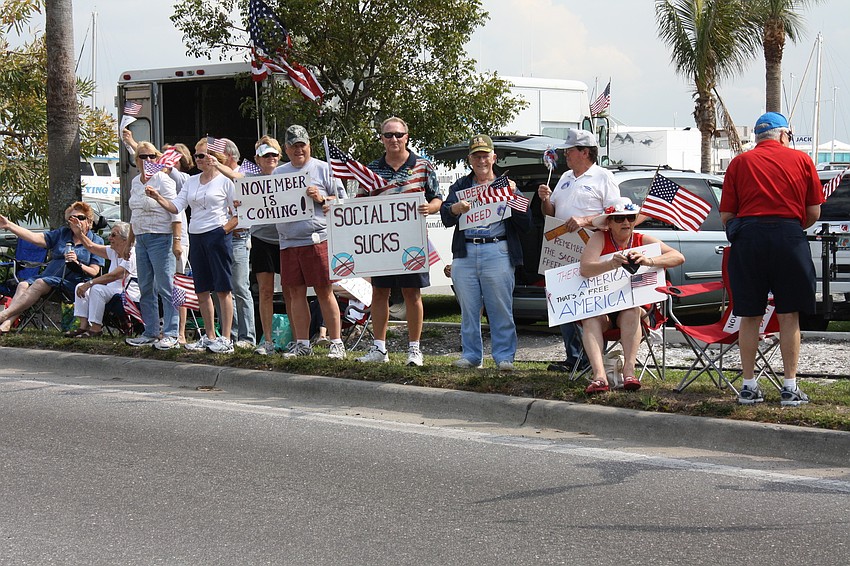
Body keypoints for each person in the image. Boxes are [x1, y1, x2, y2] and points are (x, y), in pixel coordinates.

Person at [720, 112, 823, 407]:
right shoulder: (801, 160)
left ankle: (749, 385)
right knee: (789, 313)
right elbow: (814, 211)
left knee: (749, 313)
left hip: (749, 239)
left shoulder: (740, 163)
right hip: (788, 236)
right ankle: (790, 386)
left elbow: (727, 215)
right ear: (782, 135)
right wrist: (789, 226)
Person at [440, 134, 532, 371]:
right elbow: (445, 216)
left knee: (500, 306)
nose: (481, 160)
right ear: (469, 159)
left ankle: (504, 357)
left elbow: (526, 222)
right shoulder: (461, 186)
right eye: (476, 156)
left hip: (497, 249)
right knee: (469, 309)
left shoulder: (506, 184)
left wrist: (513, 197)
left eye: (485, 155)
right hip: (466, 252)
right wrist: (454, 208)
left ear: (494, 157)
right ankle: (471, 355)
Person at [357, 116, 443, 366]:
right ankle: (379, 348)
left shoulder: (423, 166)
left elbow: (437, 197)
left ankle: (414, 349)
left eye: (398, 134)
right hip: (381, 242)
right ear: (381, 139)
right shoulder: (371, 169)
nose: (393, 139)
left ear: (407, 137)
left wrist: (430, 207)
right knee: (379, 292)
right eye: (388, 135)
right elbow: (360, 202)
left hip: (412, 241)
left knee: (411, 293)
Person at [579, 197, 684, 394]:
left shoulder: (642, 239)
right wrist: (609, 264)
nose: (626, 222)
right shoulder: (600, 238)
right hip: (603, 307)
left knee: (632, 311)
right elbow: (585, 268)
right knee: (590, 317)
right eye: (619, 219)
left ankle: (629, 371)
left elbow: (678, 257)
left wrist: (649, 261)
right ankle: (600, 376)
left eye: (630, 217)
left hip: (634, 308)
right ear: (609, 223)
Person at [537, 129, 620, 373]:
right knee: (563, 302)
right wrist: (546, 200)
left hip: (589, 252)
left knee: (587, 305)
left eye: (570, 150)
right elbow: (550, 214)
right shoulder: (564, 177)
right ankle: (573, 357)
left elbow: (615, 214)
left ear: (585, 152)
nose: (565, 154)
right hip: (561, 250)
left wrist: (585, 220)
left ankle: (591, 358)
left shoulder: (603, 177)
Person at [146, 137, 238, 354]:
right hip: (196, 235)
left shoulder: (226, 181)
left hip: (217, 234)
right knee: (202, 289)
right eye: (196, 155)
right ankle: (209, 335)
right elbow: (177, 206)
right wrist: (158, 197)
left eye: (201, 155)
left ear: (214, 157)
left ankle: (226, 338)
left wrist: (223, 230)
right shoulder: (191, 181)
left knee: (223, 288)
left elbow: (239, 214)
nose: (197, 159)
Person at [272, 124, 347, 359]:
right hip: (288, 242)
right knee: (295, 293)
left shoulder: (325, 169)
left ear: (309, 145)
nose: (298, 150)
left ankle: (336, 343)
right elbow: (265, 203)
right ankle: (302, 343)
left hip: (317, 239)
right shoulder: (278, 173)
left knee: (325, 291)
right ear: (286, 148)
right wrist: (245, 207)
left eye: (302, 144)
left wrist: (322, 197)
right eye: (293, 146)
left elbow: (344, 201)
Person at [212, 135, 283, 356]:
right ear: (257, 159)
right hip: (262, 238)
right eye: (265, 155)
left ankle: (300, 341)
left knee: (292, 292)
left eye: (273, 154)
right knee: (264, 291)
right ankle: (267, 341)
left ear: (279, 156)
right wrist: (217, 164)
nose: (270, 158)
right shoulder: (251, 177)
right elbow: (236, 175)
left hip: (287, 239)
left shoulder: (288, 174)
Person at [0, 202, 105, 333]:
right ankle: (7, 323)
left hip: (72, 284)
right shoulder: (62, 234)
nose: (76, 221)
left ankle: (4, 315)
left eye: (81, 217)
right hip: (49, 278)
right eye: (72, 218)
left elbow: (95, 271)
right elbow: (34, 237)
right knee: (22, 285)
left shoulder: (96, 241)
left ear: (89, 222)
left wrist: (78, 263)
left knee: (39, 282)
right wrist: (9, 225)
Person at [124, 141, 183, 350]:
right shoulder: (135, 183)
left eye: (151, 156)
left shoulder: (164, 180)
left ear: (157, 159)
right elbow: (135, 214)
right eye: (142, 157)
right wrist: (129, 242)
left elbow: (176, 211)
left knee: (165, 286)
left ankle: (171, 332)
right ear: (136, 160)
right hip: (141, 238)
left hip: (161, 237)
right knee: (145, 286)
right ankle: (150, 331)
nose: (147, 160)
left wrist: (177, 242)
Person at [207, 138, 256, 349]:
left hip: (237, 237)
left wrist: (223, 229)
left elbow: (243, 191)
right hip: (219, 238)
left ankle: (247, 338)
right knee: (221, 288)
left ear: (227, 156)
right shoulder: (215, 177)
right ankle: (230, 335)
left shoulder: (247, 171)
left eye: (215, 154)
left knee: (240, 287)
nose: (212, 159)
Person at [66, 221, 140, 337]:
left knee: (97, 289)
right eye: (110, 234)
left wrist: (90, 283)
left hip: (127, 293)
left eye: (114, 235)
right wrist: (79, 233)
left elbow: (114, 276)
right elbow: (91, 246)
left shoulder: (132, 254)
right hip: (111, 291)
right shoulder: (114, 252)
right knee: (79, 286)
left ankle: (96, 329)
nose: (109, 238)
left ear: (125, 239)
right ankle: (83, 327)